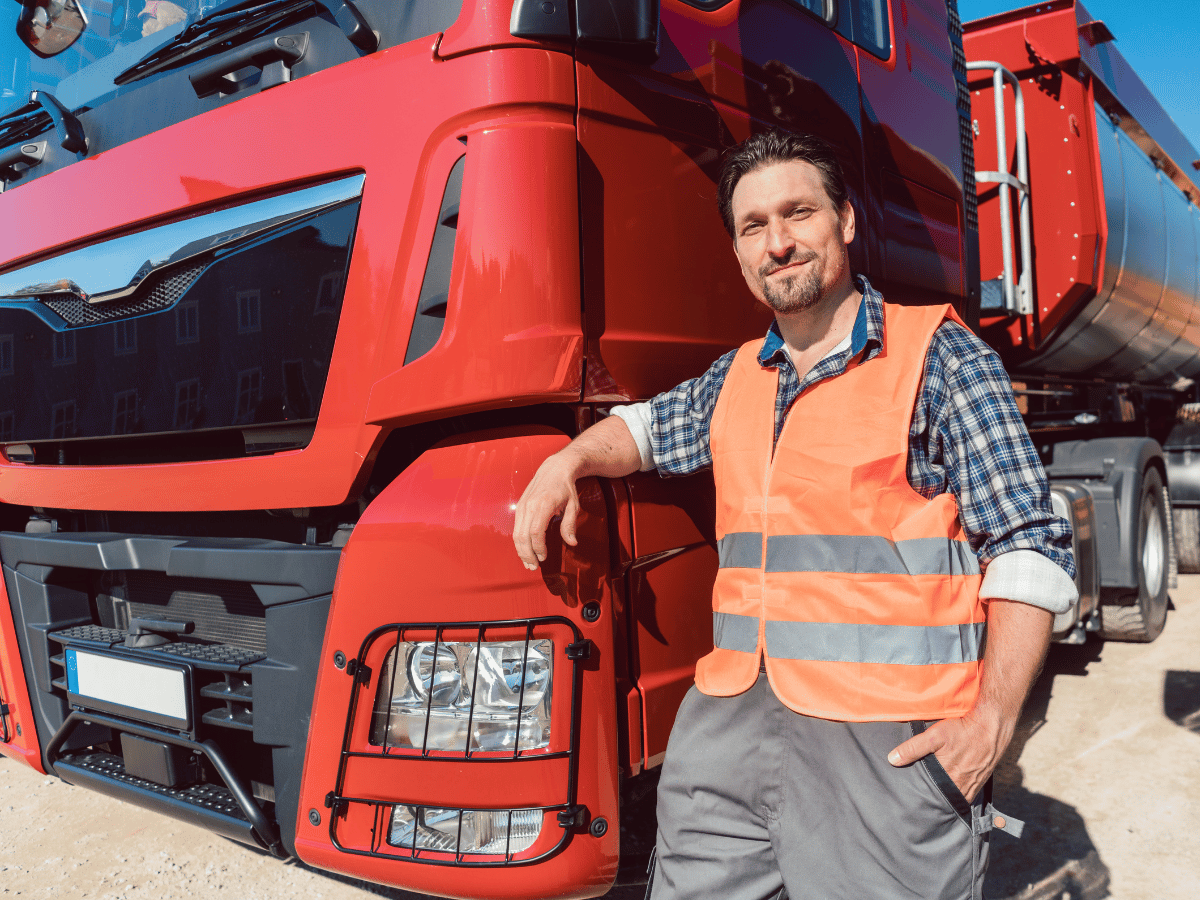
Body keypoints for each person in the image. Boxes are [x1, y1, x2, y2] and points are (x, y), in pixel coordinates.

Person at [512, 130, 1077, 900]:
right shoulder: (737, 375)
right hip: (730, 728)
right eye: (753, 227)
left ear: (845, 221)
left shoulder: (940, 357)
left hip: (884, 747)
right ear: (739, 253)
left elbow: (1028, 543)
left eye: (798, 213)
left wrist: (992, 725)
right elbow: (644, 430)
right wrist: (567, 461)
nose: (778, 243)